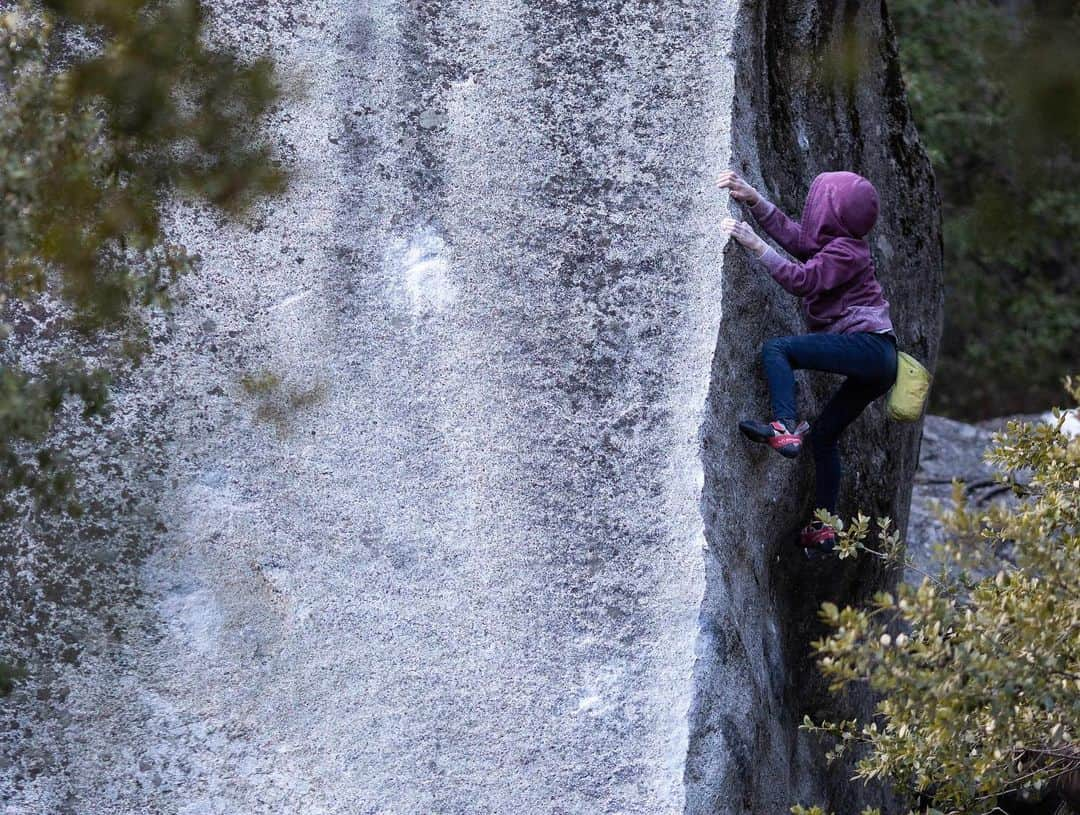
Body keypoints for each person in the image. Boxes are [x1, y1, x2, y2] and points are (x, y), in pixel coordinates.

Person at [716, 169, 899, 555]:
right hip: (878, 359)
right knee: (825, 436)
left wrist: (755, 245)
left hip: (871, 348)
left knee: (778, 349)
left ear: (831, 210)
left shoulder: (848, 253)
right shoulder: (836, 246)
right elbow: (798, 239)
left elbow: (802, 280)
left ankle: (783, 424)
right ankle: (824, 526)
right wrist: (754, 200)